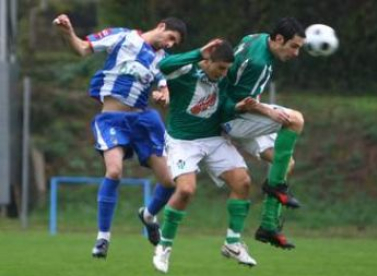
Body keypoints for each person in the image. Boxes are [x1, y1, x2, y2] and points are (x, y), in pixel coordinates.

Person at [52, 13, 187, 258]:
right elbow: (82, 49)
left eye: (174, 44)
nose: (169, 44)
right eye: (170, 38)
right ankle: (103, 238)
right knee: (114, 171)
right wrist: (68, 32)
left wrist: (162, 96)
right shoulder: (122, 36)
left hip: (144, 121)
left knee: (169, 182)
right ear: (161, 26)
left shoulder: (164, 60)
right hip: (112, 119)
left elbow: (164, 88)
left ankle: (148, 215)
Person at [151, 39, 258, 273]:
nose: (224, 73)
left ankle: (232, 243)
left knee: (243, 182)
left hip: (213, 138)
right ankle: (164, 245)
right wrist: (198, 51)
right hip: (183, 141)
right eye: (220, 68)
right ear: (207, 60)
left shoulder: (225, 78)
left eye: (227, 69)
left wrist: (238, 107)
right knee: (186, 190)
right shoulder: (186, 71)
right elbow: (165, 65)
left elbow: (225, 106)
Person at [221, 17, 306, 249]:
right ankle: (276, 188)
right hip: (232, 118)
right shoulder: (258, 64)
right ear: (279, 39)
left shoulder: (255, 38)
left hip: (237, 115)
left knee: (285, 163)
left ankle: (268, 226)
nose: (296, 53)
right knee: (296, 120)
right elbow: (242, 101)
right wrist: (267, 111)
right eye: (294, 46)